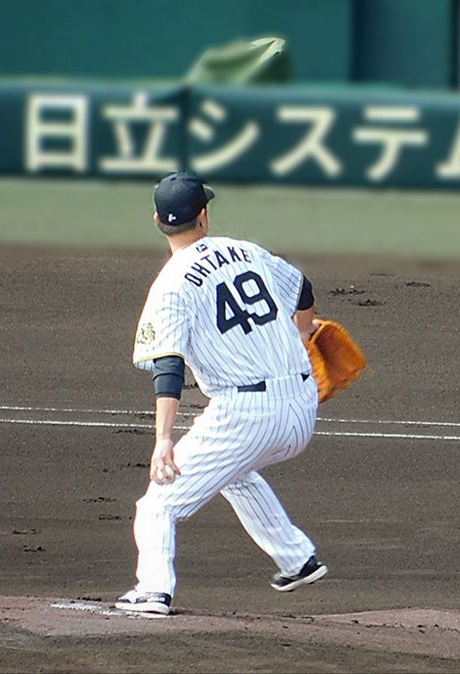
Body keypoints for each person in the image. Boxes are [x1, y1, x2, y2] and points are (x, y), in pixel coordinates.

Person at [115, 172, 327, 616]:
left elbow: (168, 366)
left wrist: (163, 440)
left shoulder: (170, 285)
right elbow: (303, 288)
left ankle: (153, 590)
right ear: (204, 217)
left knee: (158, 504)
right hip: (304, 406)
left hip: (247, 414)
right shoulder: (247, 251)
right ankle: (296, 558)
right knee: (233, 471)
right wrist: (303, 333)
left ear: (157, 221)